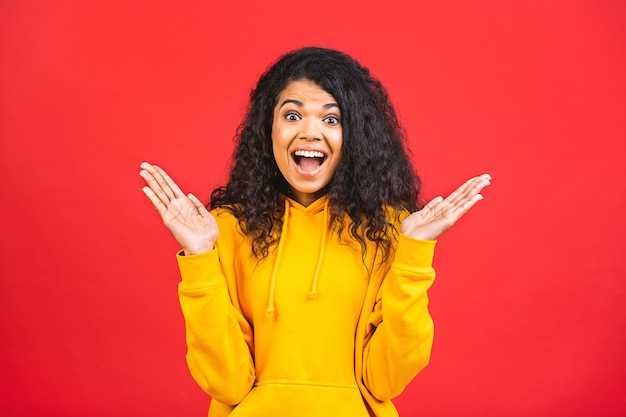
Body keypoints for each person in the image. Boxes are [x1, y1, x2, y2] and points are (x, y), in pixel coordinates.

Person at [139, 47, 491, 417]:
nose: (310, 132)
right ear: (268, 129)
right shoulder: (225, 229)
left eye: (331, 120)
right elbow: (225, 382)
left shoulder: (387, 230)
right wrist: (199, 257)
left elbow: (386, 380)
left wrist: (415, 253)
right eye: (292, 115)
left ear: (354, 136)